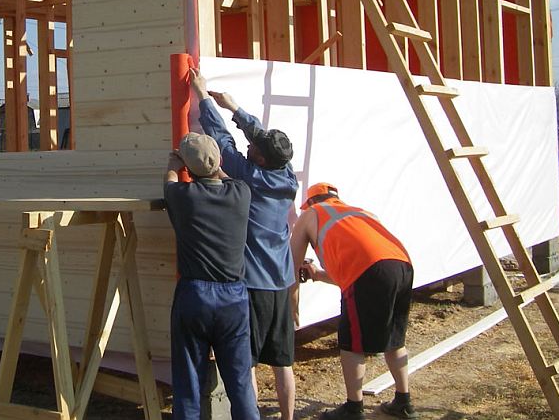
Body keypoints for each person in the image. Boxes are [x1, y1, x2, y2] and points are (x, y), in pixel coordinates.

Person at [189, 68, 298, 420]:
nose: (249, 146)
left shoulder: (249, 176)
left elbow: (222, 142)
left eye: (254, 149)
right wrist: (235, 108)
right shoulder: (286, 176)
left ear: (261, 159)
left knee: (245, 362)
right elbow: (262, 140)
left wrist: (203, 96)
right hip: (280, 283)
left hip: (253, 285)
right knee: (283, 362)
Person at [291, 182, 417, 420]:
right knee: (395, 338)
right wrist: (318, 274)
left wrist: (292, 308)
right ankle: (403, 401)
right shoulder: (359, 213)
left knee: (351, 343)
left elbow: (291, 268)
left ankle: (353, 408)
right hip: (402, 265)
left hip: (369, 270)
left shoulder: (311, 214)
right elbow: (360, 274)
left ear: (311, 202)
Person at [163, 132, 260, 420]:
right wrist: (212, 164)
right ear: (219, 161)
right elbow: (225, 178)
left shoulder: (183, 197)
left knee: (188, 382)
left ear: (187, 167)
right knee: (240, 382)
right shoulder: (241, 193)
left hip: (195, 296)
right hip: (234, 298)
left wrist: (173, 164)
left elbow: (169, 182)